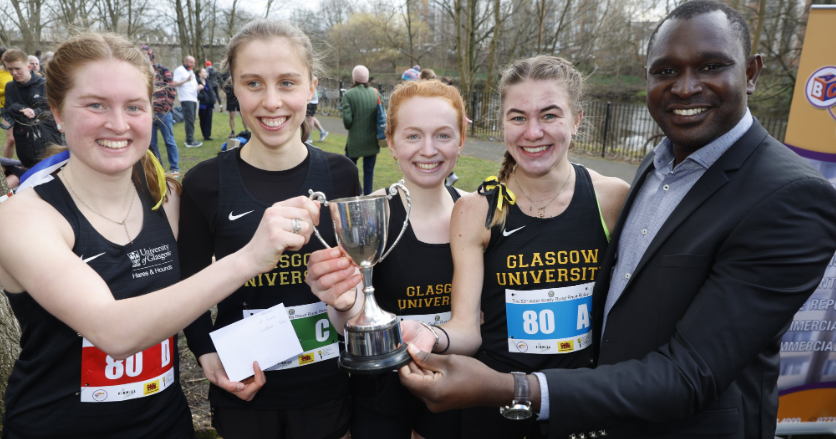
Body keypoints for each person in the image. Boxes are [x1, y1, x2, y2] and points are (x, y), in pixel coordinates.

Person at [398, 2, 836, 439]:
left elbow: (690, 372)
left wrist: (512, 388)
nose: (685, 88)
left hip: (655, 419)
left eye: (711, 65)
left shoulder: (788, 196)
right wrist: (432, 337)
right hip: (564, 413)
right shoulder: (657, 167)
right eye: (665, 71)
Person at [0, 31, 321, 439]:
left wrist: (214, 353)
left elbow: (196, 293)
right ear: (57, 111)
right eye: (95, 105)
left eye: (134, 107)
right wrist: (248, 258)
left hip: (167, 425)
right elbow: (113, 331)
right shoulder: (23, 217)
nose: (117, 124)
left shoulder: (167, 198)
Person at [180, 19, 360, 439]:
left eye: (287, 83)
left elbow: (360, 277)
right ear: (234, 89)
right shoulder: (205, 183)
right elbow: (188, 280)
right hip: (245, 386)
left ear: (312, 87)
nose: (272, 102)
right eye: (254, 84)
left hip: (325, 387)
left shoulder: (342, 175)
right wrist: (203, 348)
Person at [307, 79, 467, 439]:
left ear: (461, 139)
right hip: (381, 397)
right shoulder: (369, 216)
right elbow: (345, 318)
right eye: (412, 136)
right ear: (391, 142)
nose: (428, 150)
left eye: (443, 135)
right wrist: (343, 303)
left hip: (456, 390)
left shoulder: (476, 212)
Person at [1, 48, 62, 168]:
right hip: (23, 138)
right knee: (28, 169)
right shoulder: (10, 87)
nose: (14, 73)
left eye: (18, 69)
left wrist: (35, 112)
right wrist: (18, 109)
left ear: (29, 67)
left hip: (48, 137)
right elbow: (8, 110)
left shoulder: (45, 84)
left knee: (51, 171)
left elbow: (56, 111)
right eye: (10, 69)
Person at [141, 44, 180, 177]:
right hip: (149, 115)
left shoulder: (162, 70)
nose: (143, 56)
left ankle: (175, 168)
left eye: (145, 54)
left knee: (169, 140)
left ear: (151, 55)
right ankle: (159, 169)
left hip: (163, 113)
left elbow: (171, 88)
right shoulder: (140, 72)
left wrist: (167, 107)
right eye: (141, 54)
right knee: (152, 144)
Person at [342, 65, 380, 195]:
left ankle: (359, 191)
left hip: (355, 140)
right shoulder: (375, 93)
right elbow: (381, 114)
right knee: (369, 170)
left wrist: (352, 126)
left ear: (354, 78)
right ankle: (368, 194)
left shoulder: (349, 94)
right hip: (372, 140)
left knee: (349, 167)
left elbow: (347, 121)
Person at [173, 55, 202, 148]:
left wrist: (199, 87)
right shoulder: (179, 70)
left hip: (193, 98)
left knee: (192, 119)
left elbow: (193, 84)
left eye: (193, 63)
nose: (193, 64)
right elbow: (174, 83)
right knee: (189, 119)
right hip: (186, 98)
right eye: (191, 63)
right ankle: (190, 141)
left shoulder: (191, 71)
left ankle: (190, 139)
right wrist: (186, 80)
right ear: (186, 62)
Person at [220, 70, 248, 138]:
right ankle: (232, 132)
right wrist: (228, 87)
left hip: (239, 96)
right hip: (230, 97)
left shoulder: (238, 70)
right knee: (232, 115)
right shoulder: (225, 73)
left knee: (243, 114)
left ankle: (246, 131)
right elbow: (222, 85)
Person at [0, 47, 15, 160]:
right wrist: (7, 89)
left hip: (21, 107)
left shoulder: (16, 70)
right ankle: (7, 165)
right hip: (5, 108)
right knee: (11, 139)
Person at [196, 67, 214, 141]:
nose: (205, 73)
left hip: (209, 104)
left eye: (206, 72)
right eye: (204, 72)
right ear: (199, 74)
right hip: (202, 105)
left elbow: (211, 91)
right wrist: (202, 97)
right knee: (203, 120)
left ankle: (207, 135)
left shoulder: (208, 82)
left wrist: (213, 99)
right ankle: (204, 134)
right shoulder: (197, 82)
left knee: (209, 120)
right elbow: (195, 93)